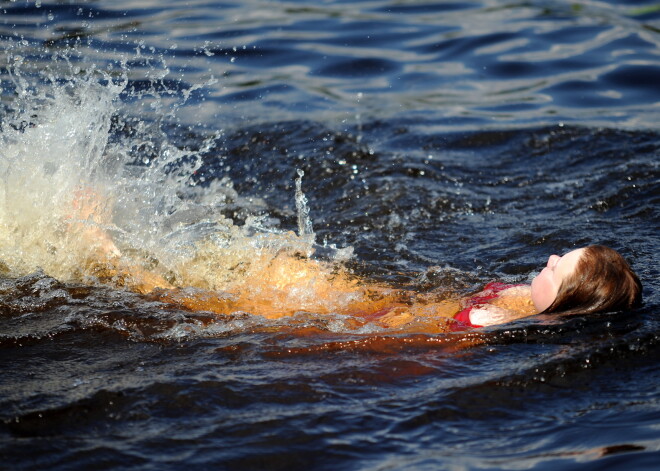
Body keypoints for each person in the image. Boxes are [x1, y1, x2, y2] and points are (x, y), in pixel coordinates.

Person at [68, 188, 643, 330]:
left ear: (561, 306)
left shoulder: (493, 327)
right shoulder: (523, 304)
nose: (548, 256)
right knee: (281, 268)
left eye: (557, 266)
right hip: (381, 306)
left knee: (210, 302)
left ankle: (109, 258)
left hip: (363, 322)